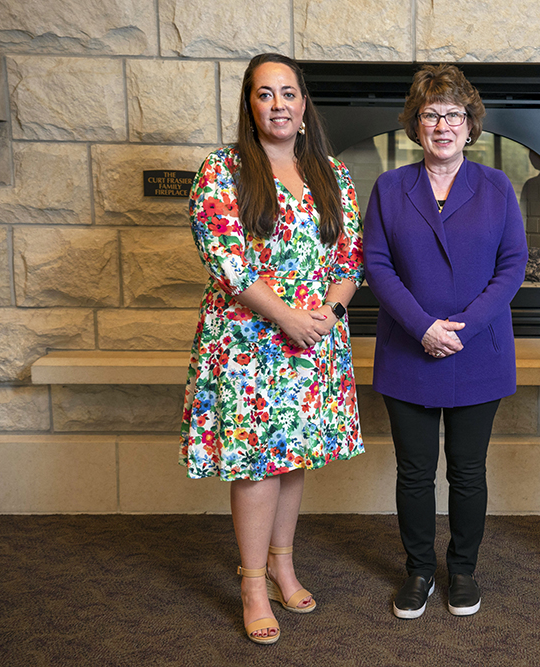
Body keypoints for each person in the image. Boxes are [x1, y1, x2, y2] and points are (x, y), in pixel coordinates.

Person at [180, 53, 365, 645]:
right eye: (266, 94)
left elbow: (350, 258)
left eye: (289, 93)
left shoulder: (332, 173)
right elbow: (227, 261)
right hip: (249, 343)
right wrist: (287, 317)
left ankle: (285, 565)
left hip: (314, 341)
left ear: (304, 104)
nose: (279, 104)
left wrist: (327, 316)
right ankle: (253, 584)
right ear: (250, 104)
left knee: (293, 460)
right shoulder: (222, 170)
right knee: (258, 467)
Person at [363, 64, 528, 620]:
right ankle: (418, 572)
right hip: (409, 348)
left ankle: (462, 570)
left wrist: (463, 327)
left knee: (467, 470)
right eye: (430, 114)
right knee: (413, 472)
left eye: (453, 114)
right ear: (415, 124)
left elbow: (512, 267)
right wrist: (423, 328)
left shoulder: (497, 187)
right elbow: (377, 267)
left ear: (470, 124)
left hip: (476, 350)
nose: (442, 125)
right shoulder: (389, 188)